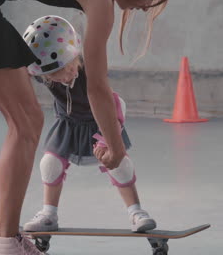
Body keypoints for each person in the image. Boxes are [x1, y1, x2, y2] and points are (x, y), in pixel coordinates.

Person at [0, 0, 177, 254]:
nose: (148, 5)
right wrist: (115, 147)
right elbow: (97, 86)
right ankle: (7, 243)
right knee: (27, 121)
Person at [22, 15, 157, 234]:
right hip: (68, 124)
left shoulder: (89, 72)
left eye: (69, 67)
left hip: (100, 122)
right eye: (57, 75)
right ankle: (48, 214)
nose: (68, 75)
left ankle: (137, 212)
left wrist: (108, 140)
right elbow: (22, 68)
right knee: (50, 164)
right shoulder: (42, 70)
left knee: (120, 166)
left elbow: (117, 104)